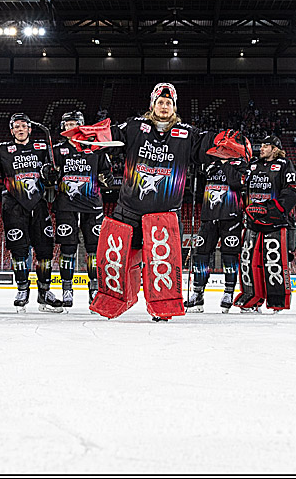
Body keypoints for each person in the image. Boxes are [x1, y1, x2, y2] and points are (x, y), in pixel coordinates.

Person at [86, 82, 207, 320]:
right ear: (152, 105)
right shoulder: (134, 126)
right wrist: (92, 137)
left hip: (165, 217)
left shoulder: (187, 133)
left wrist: (225, 146)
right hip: (128, 211)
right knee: (116, 261)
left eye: (168, 103)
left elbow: (208, 146)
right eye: (160, 102)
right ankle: (113, 302)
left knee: (163, 266)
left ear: (174, 107)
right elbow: (110, 138)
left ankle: (163, 308)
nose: (164, 107)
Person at [0, 112, 61, 313]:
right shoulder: (2, 150)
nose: (20, 129)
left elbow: (54, 170)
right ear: (12, 130)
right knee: (19, 251)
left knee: (45, 251)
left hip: (38, 204)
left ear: (29, 128)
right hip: (13, 206)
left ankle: (44, 291)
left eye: (23, 125)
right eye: (16, 126)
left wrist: (51, 174)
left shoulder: (43, 147)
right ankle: (22, 289)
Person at [51, 111, 113, 309]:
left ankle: (94, 287)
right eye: (67, 124)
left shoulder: (95, 148)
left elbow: (106, 173)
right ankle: (67, 288)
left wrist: (108, 178)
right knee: (67, 249)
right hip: (66, 205)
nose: (70, 127)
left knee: (93, 249)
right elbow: (50, 176)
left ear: (82, 126)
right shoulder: (57, 150)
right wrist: (49, 174)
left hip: (92, 204)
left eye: (74, 124)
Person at [184, 129, 249, 313]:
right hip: (208, 216)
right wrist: (195, 173)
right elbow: (196, 187)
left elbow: (238, 182)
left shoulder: (241, 163)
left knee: (229, 255)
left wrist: (225, 164)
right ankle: (197, 294)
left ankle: (228, 292)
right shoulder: (210, 163)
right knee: (201, 255)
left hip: (231, 217)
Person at [236, 135, 296, 313]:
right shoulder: (253, 165)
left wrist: (272, 210)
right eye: (261, 145)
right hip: (253, 220)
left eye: (265, 145)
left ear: (275, 148)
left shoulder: (285, 164)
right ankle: (251, 299)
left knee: (273, 262)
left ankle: (277, 301)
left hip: (275, 222)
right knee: (247, 261)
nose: (261, 148)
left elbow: (292, 193)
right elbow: (242, 187)